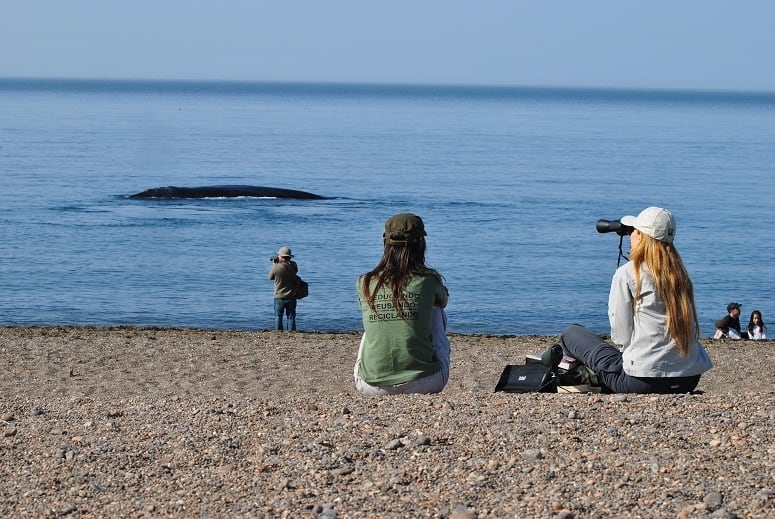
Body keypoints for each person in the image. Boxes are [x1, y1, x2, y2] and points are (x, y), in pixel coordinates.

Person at [558, 206, 712, 394]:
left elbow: (621, 337)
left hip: (641, 382)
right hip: (688, 379)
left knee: (571, 333)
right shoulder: (680, 275)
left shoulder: (629, 273)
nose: (630, 236)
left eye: (633, 231)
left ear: (640, 235)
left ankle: (571, 370)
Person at [354, 213, 450, 396]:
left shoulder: (364, 281)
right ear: (421, 244)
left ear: (384, 242)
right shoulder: (429, 279)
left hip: (370, 386)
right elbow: (443, 302)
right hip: (425, 382)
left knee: (373, 315)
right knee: (437, 310)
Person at [267, 246, 299, 331]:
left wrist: (274, 265)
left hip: (279, 296)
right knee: (291, 316)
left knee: (278, 316)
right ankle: (292, 332)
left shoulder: (276, 267)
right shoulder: (294, 266)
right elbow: (294, 269)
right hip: (291, 295)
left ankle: (278, 332)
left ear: (281, 256)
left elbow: (270, 277)